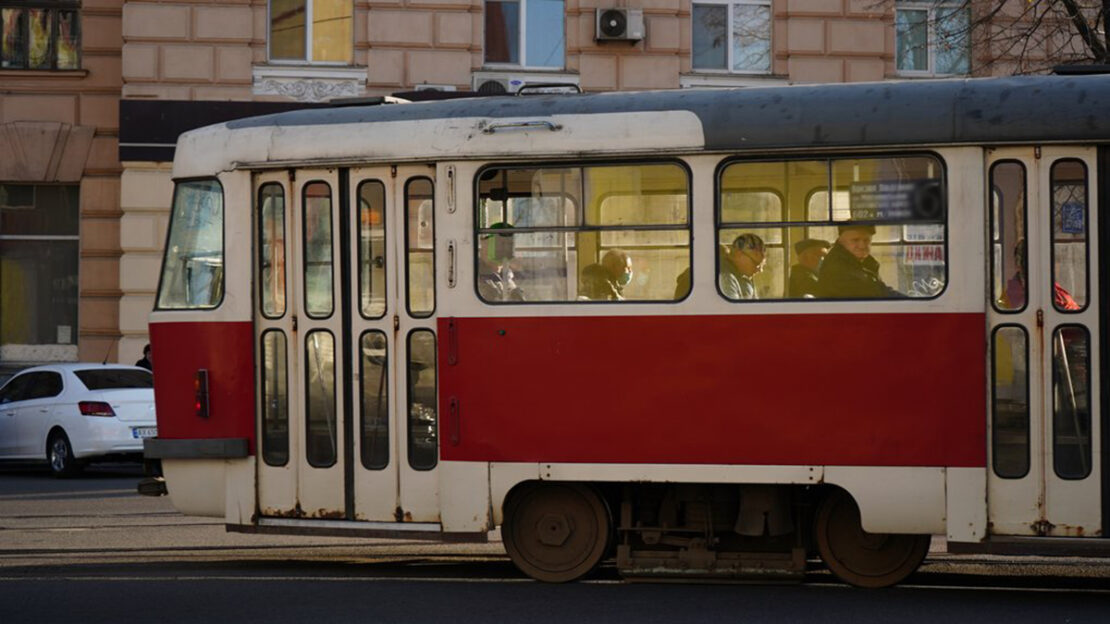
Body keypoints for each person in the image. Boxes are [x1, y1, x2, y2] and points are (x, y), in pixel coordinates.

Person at [816, 224, 900, 298]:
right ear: (841, 242)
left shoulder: (864, 263)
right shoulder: (836, 268)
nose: (862, 245)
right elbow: (873, 293)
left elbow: (881, 290)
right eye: (855, 240)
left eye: (866, 240)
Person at [477, 222, 525, 301]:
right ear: (484, 244)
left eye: (509, 244)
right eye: (501, 244)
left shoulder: (507, 275)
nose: (505, 249)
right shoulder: (475, 275)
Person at [719, 233, 766, 300]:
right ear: (739, 254)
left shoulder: (745, 275)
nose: (760, 270)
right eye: (756, 264)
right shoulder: (726, 277)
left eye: (761, 265)